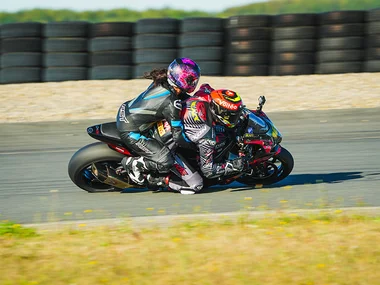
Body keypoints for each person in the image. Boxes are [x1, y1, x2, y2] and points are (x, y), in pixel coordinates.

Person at [148, 83, 247, 195]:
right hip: (164, 146)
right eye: (233, 115)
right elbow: (208, 170)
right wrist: (233, 166)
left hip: (161, 125)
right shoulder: (207, 135)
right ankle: (159, 180)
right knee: (197, 184)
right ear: (221, 113)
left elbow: (206, 86)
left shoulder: (205, 95)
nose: (236, 118)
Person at [116, 58, 201, 186]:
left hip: (126, 110)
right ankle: (134, 164)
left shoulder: (164, 80)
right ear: (181, 79)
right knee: (166, 161)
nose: (193, 82)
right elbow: (178, 137)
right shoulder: (171, 103)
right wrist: (196, 146)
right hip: (132, 131)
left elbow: (187, 99)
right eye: (190, 79)